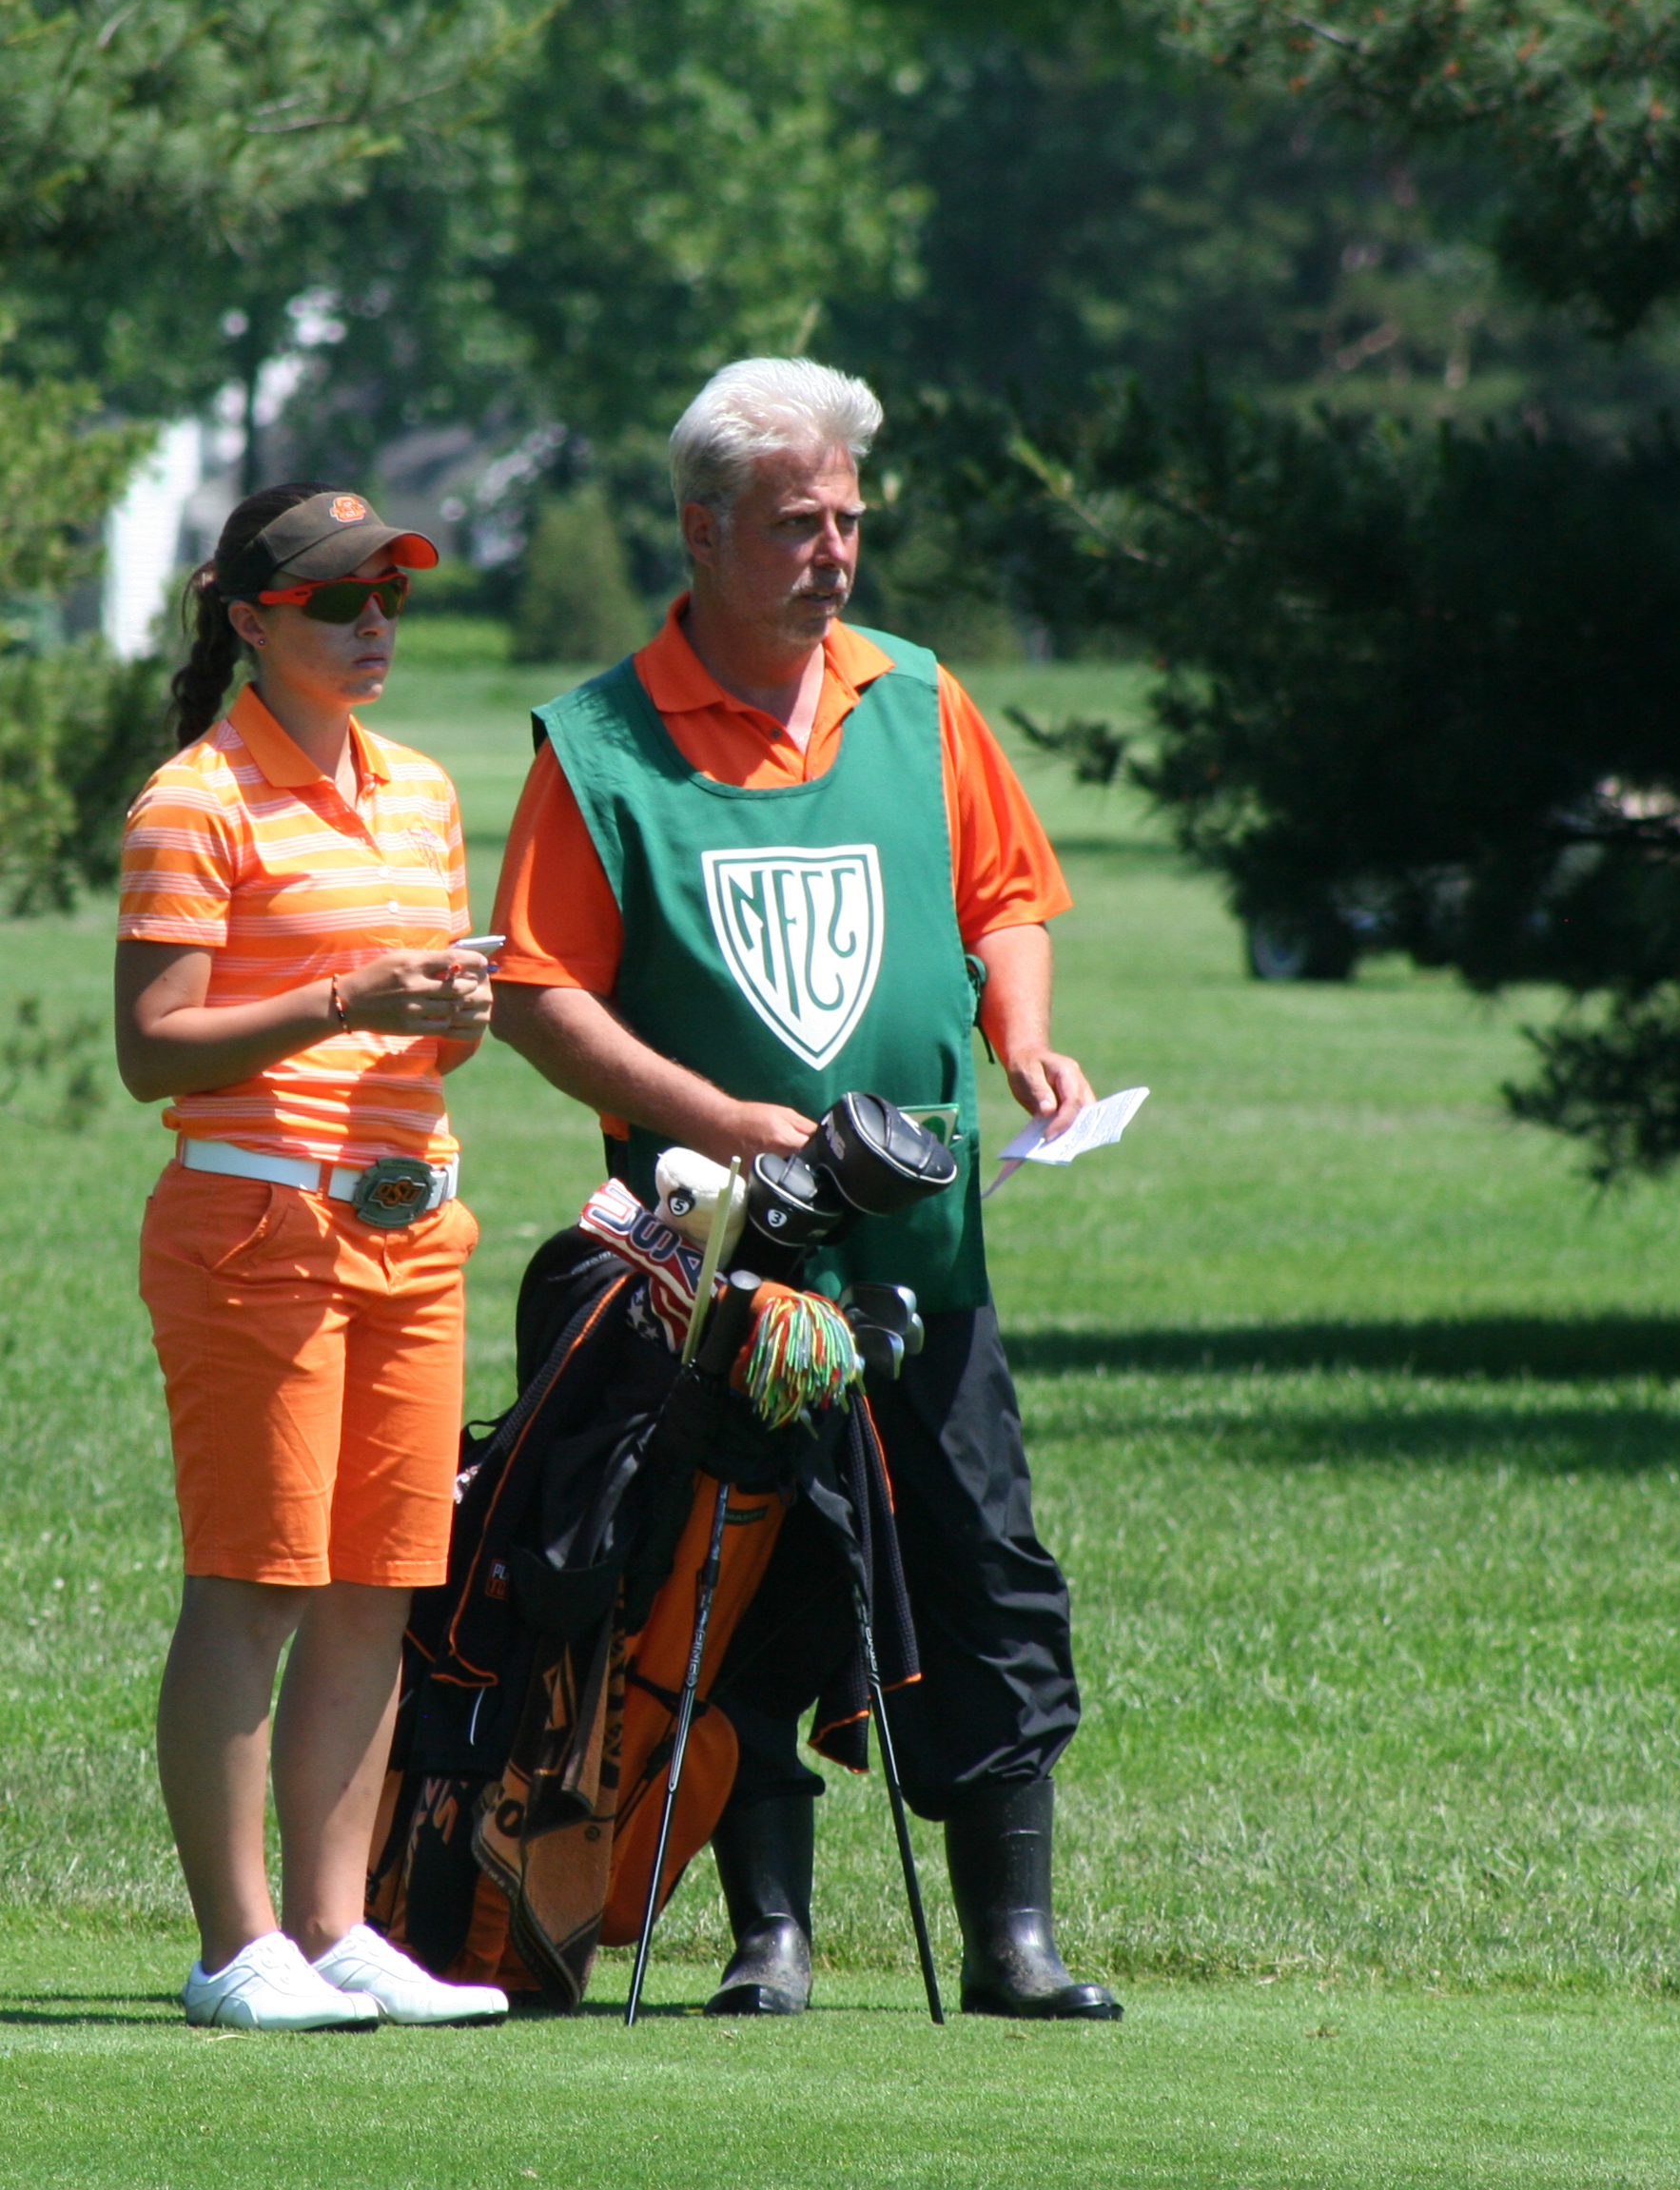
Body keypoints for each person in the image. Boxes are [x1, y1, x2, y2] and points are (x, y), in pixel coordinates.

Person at [486, 359, 1124, 2022]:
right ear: (702, 531)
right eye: (794, 524)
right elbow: (536, 991)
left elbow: (1006, 899)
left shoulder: (917, 696)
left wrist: (1024, 1037)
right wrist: (719, 1118)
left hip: (924, 1249)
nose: (832, 551)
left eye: (846, 520)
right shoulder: (602, 744)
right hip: (715, 1265)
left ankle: (1014, 1940)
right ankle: (767, 1933)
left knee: (985, 1563)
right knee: (727, 1580)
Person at [115, 482, 512, 2033]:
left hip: (412, 1228)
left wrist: (449, 1019)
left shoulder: (420, 791)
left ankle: (338, 1932)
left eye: (391, 597)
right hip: (255, 1225)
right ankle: (237, 1948)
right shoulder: (194, 801)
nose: (373, 625)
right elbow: (155, 1047)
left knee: (374, 1589)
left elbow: (426, 1038)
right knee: (254, 1584)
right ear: (249, 621)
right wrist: (349, 999)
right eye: (340, 600)